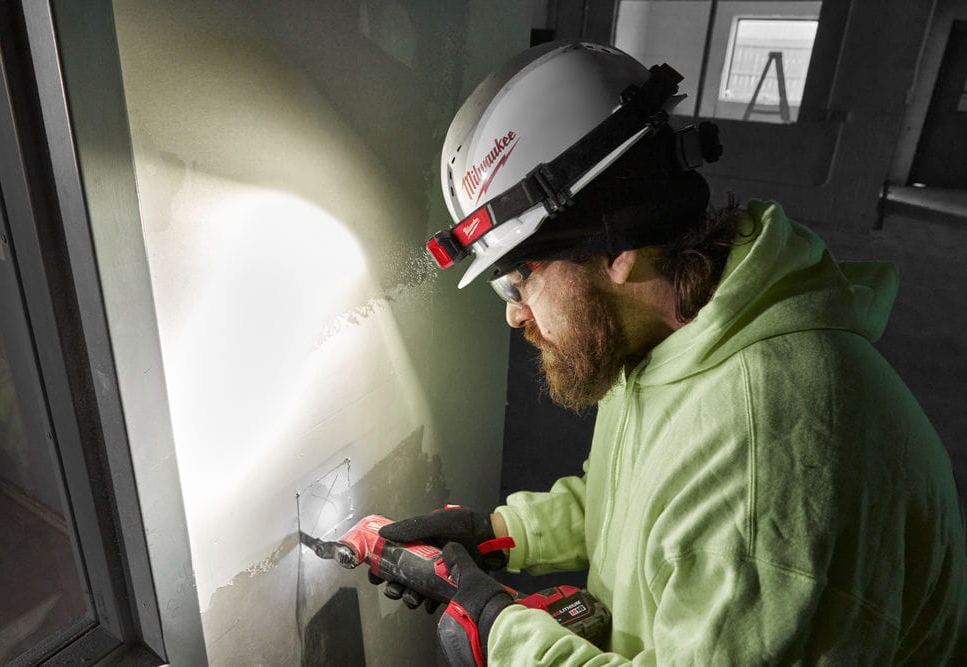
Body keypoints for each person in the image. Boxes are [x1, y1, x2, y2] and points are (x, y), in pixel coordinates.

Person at [375, 41, 967, 665]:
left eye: (519, 278)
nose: (514, 313)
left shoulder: (765, 464)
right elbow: (639, 504)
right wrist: (499, 534)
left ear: (616, 247)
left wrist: (504, 634)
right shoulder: (668, 336)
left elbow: (720, 514)